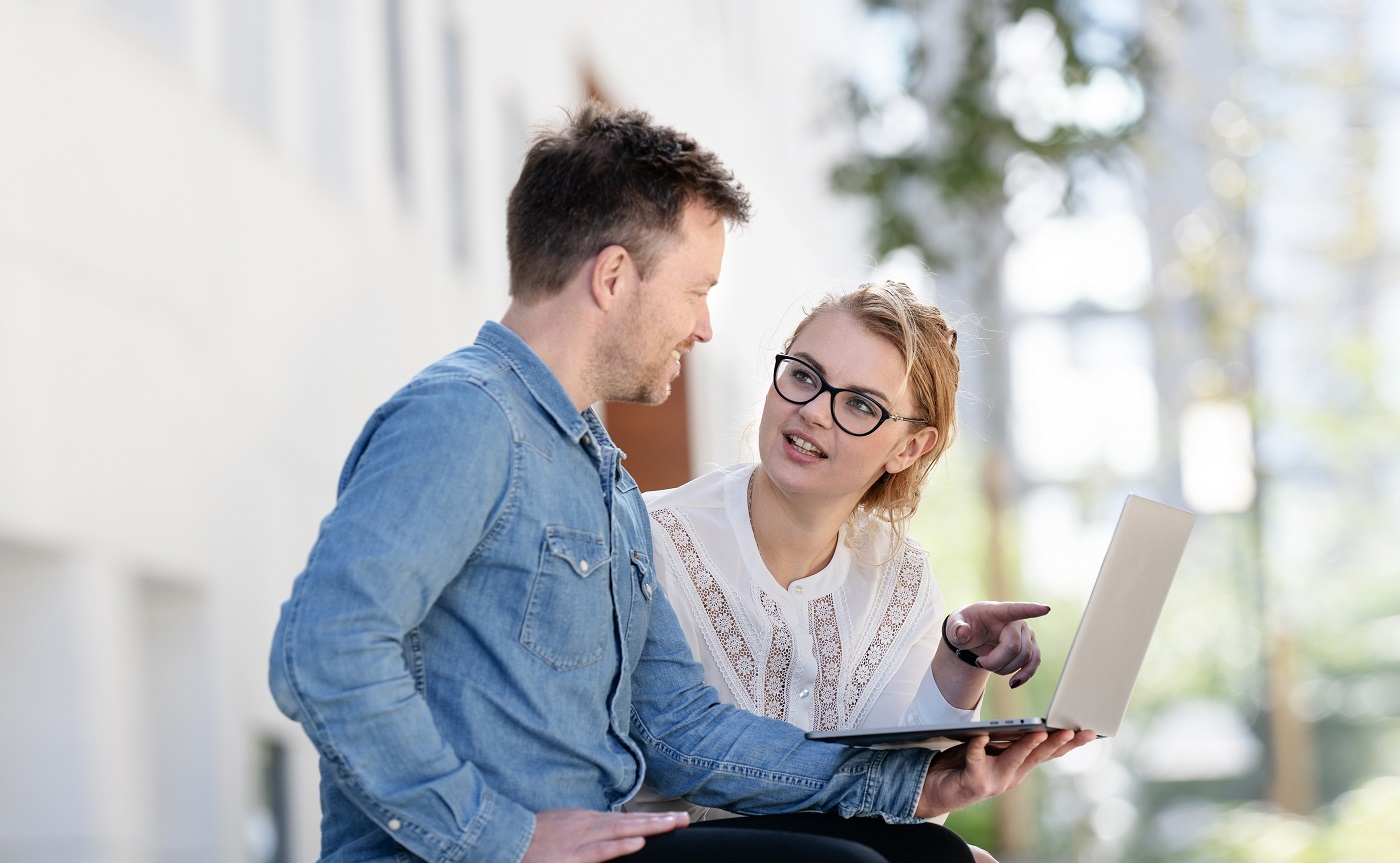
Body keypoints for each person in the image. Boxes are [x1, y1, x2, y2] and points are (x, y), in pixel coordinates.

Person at [268, 102, 1094, 863]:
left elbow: (676, 725)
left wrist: (916, 786)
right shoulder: (466, 417)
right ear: (613, 277)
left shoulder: (600, 474)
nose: (702, 326)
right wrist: (502, 835)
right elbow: (323, 648)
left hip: (599, 843)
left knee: (932, 856)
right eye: (696, 290)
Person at [627, 281, 1047, 862]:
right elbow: (677, 750)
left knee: (952, 855)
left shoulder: (901, 578)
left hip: (824, 850)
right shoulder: (653, 536)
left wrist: (960, 663)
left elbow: (904, 806)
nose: (813, 411)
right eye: (804, 375)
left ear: (909, 448)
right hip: (664, 848)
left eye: (860, 405)